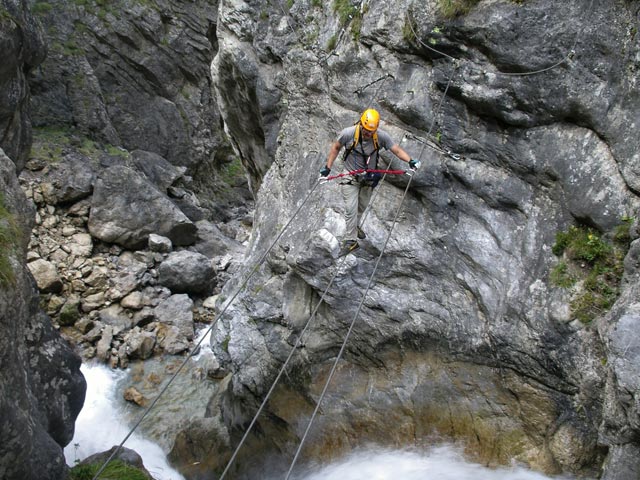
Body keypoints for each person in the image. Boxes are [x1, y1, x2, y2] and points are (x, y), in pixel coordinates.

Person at [320, 108, 421, 255]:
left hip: (369, 177)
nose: (368, 133)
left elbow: (396, 150)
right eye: (366, 130)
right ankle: (351, 241)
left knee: (362, 206)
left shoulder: (381, 137)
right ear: (361, 124)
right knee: (350, 208)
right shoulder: (348, 133)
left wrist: (410, 161)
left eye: (371, 131)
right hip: (350, 175)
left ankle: (355, 226)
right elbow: (336, 147)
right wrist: (327, 168)